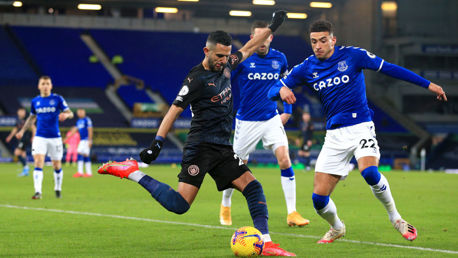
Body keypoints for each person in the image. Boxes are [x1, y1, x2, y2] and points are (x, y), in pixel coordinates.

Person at [98, 11, 295, 256]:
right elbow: (173, 110)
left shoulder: (228, 65)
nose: (224, 60)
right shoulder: (195, 80)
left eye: (226, 55)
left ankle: (265, 242)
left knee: (253, 187)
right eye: (219, 56)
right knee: (180, 206)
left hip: (222, 148)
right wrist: (156, 144)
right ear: (206, 51)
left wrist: (274, 25)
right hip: (200, 147)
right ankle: (133, 173)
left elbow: (252, 45)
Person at [268, 20, 447, 243]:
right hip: (334, 135)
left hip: (361, 126)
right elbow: (271, 90)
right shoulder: (307, 67)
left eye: (323, 40)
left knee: (370, 173)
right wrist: (282, 88)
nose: (318, 46)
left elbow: (391, 68)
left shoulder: (353, 56)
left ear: (333, 39)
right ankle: (337, 227)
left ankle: (396, 218)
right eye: (314, 41)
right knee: (318, 200)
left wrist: (428, 85)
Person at [219, 21, 309, 227]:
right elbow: (226, 85)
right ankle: (225, 204)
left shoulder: (280, 58)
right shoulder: (242, 60)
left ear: (270, 37)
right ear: (252, 39)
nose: (261, 41)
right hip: (247, 121)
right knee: (236, 166)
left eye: (265, 37)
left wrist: (287, 111)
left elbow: (286, 84)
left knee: (285, 159)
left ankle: (292, 213)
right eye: (257, 37)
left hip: (270, 118)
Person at [16, 75, 74, 199]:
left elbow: (70, 113)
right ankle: (38, 192)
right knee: (38, 161)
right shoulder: (35, 101)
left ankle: (58, 188)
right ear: (39, 86)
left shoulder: (58, 99)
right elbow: (32, 118)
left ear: (51, 85)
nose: (45, 86)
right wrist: (22, 130)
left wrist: (66, 115)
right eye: (43, 83)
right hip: (39, 137)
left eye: (47, 83)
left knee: (57, 164)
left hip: (55, 138)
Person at [6, 107, 35, 176]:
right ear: (18, 112)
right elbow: (15, 129)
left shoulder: (26, 120)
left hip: (25, 138)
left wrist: (33, 137)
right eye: (20, 111)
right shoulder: (18, 120)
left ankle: (26, 167)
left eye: (22, 112)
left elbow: (34, 128)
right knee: (22, 153)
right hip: (20, 139)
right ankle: (25, 171)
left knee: (16, 152)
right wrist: (10, 137)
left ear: (24, 112)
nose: (21, 113)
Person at [72, 109, 93, 177]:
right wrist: (67, 138)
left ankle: (81, 172)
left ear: (84, 112)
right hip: (82, 140)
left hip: (86, 140)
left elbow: (90, 130)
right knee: (85, 155)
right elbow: (75, 130)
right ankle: (88, 173)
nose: (80, 113)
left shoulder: (87, 120)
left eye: (81, 112)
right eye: (78, 112)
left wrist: (90, 140)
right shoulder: (78, 121)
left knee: (80, 153)